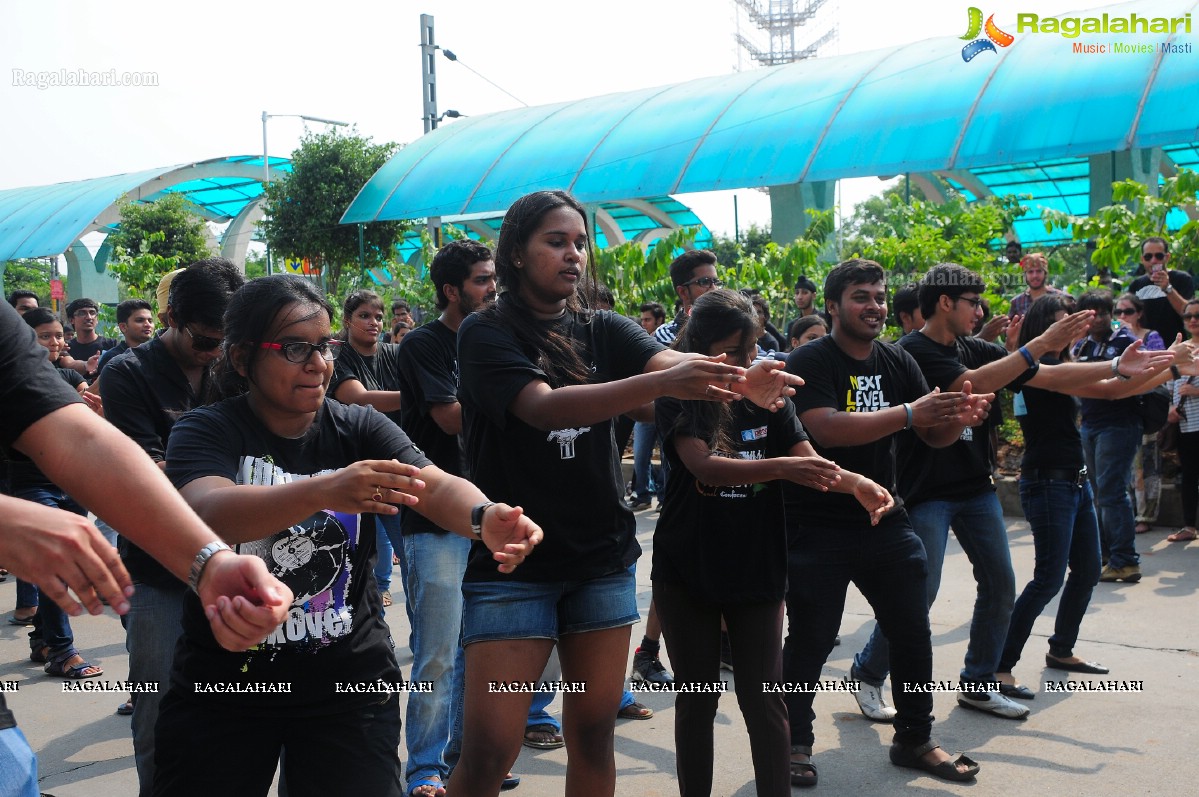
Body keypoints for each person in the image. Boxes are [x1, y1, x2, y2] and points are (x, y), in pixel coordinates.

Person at [452, 190, 798, 797]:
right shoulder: (485, 333)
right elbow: (542, 407)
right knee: (488, 752)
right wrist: (668, 379)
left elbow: (674, 360)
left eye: (580, 242)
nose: (573, 255)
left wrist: (742, 379)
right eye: (555, 242)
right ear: (514, 253)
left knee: (592, 735)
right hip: (515, 566)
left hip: (600, 563)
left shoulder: (600, 326)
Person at [150, 274, 542, 797]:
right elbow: (204, 509)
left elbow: (431, 486)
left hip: (348, 686)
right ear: (242, 358)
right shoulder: (206, 429)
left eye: (323, 347)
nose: (318, 364)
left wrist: (483, 517)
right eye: (294, 348)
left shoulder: (357, 426)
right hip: (225, 686)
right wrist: (323, 490)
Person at [0, 299, 291, 797]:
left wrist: (209, 561)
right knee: (159, 715)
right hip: (153, 577)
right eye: (205, 340)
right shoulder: (129, 370)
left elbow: (81, 441)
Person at [653, 289, 892, 794]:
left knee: (764, 696)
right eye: (733, 352)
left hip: (757, 563)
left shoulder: (772, 395)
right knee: (696, 698)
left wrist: (857, 485)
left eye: (754, 347)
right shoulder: (681, 391)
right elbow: (702, 466)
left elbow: (808, 458)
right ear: (701, 346)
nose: (748, 362)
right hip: (688, 565)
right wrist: (783, 467)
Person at [783, 259, 992, 784]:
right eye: (861, 296)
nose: (874, 305)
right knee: (812, 636)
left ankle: (915, 739)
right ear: (832, 306)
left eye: (879, 296)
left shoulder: (897, 361)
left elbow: (932, 435)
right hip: (818, 522)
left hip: (886, 519)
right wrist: (909, 414)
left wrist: (955, 422)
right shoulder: (811, 359)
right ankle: (793, 741)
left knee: (911, 631)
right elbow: (824, 430)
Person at [998, 294, 1188, 699]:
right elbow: (1110, 381)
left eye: (1075, 321)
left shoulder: (1061, 366)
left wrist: (1171, 366)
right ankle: (1000, 665)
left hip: (1074, 482)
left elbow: (1115, 391)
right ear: (1045, 327)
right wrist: (1155, 364)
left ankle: (1061, 650)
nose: (1076, 327)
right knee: (1047, 579)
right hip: (1046, 483)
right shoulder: (1031, 370)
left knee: (1085, 572)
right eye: (1066, 321)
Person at [394, 239, 496, 797]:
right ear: (451, 290)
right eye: (482, 280)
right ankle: (426, 768)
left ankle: (467, 763)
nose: (493, 289)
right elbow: (453, 419)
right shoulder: (424, 345)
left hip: (492, 514)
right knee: (436, 650)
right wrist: (514, 394)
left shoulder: (503, 336)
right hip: (435, 517)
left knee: (480, 648)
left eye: (494, 278)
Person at [8, 308, 105, 680]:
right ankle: (63, 652)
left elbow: (87, 415)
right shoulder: (11, 381)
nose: (54, 342)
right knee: (56, 566)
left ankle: (42, 640)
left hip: (71, 483)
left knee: (59, 565)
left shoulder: (67, 376)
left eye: (57, 336)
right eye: (43, 336)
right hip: (30, 484)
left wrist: (94, 406)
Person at [329, 290, 406, 610]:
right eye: (364, 316)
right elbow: (357, 398)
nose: (373, 322)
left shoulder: (395, 353)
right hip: (352, 473)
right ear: (347, 321)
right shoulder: (337, 357)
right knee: (353, 567)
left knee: (415, 565)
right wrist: (415, 396)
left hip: (399, 468)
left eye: (378, 316)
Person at [1071, 290, 1145, 582]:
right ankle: (1104, 557)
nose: (1097, 318)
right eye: (1090, 313)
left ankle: (1125, 560)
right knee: (1097, 492)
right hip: (1089, 425)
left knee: (1112, 491)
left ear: (1110, 314)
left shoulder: (1126, 343)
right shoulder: (1081, 346)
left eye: (1102, 312)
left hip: (1119, 426)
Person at [1115, 292, 1167, 533]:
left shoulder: (1151, 337)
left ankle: (1146, 516)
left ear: (1139, 314)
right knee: (1125, 464)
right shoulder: (1113, 338)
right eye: (1118, 312)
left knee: (1147, 465)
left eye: (1128, 311)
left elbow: (1161, 368)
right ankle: (1128, 514)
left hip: (1146, 408)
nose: (1123, 316)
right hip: (1120, 408)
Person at [1167, 298, 1199, 543]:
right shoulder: (1179, 347)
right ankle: (1189, 525)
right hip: (1186, 423)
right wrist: (1169, 407)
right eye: (1188, 316)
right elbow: (1167, 383)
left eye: (1197, 316)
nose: (1193, 320)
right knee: (1188, 475)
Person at [1128, 236, 1193, 346]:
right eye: (1148, 257)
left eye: (1159, 256)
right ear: (1142, 259)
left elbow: (1189, 313)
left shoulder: (1182, 279)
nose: (1154, 261)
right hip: (1145, 347)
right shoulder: (1136, 285)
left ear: (1167, 257)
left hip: (1175, 345)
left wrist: (1168, 288)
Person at [654, 250, 723, 345]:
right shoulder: (667, 334)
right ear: (683, 292)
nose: (714, 289)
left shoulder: (729, 325)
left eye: (716, 282)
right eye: (704, 282)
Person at [94, 298, 156, 377]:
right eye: (140, 320)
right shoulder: (112, 358)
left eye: (150, 321)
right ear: (123, 327)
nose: (147, 325)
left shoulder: (159, 353)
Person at [61, 297, 118, 378]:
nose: (89, 317)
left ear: (97, 319)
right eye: (82, 313)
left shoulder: (112, 345)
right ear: (71, 320)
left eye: (92, 313)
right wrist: (86, 365)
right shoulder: (66, 347)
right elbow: (69, 364)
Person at [1008, 252, 1063, 319]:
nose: (1035, 276)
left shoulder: (1060, 298)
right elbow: (1010, 327)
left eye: (1039, 271)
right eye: (1030, 272)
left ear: (1045, 273)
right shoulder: (1017, 302)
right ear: (1025, 275)